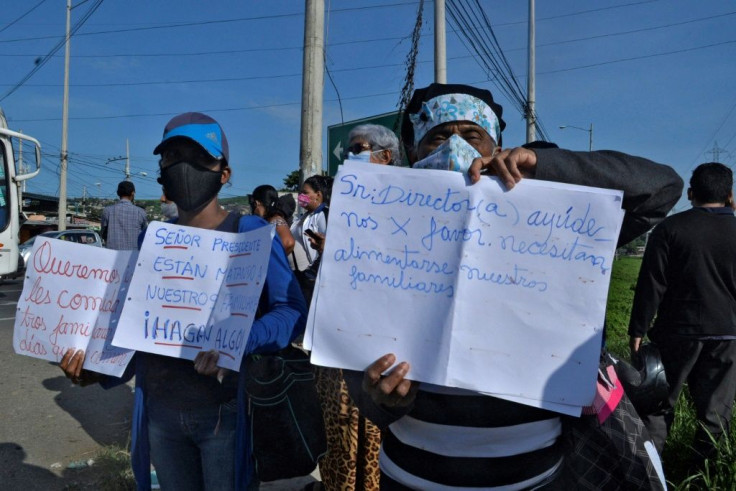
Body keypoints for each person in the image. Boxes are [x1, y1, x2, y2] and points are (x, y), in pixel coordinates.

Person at [350, 82, 683, 489]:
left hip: (533, 479)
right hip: (410, 478)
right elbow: (362, 384)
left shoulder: (554, 218)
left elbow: (661, 188)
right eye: (437, 137)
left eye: (473, 136)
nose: (456, 149)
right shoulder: (381, 228)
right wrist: (380, 400)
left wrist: (545, 166)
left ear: (498, 147)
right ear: (414, 151)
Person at [59, 112, 307, 490]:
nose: (183, 167)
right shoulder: (152, 240)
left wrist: (240, 339)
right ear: (161, 172)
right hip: (160, 412)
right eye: (172, 157)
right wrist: (96, 370)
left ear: (224, 173)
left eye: (198, 158)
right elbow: (136, 329)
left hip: (225, 414)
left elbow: (292, 313)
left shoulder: (251, 233)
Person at [311, 124, 401, 491]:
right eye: (349, 150)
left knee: (377, 436)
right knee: (339, 436)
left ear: (386, 156)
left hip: (387, 344)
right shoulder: (345, 205)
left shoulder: (408, 201)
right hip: (341, 340)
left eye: (358, 148)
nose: (350, 156)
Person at [628, 162, 736, 465]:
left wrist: (638, 329)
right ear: (729, 194)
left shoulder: (669, 229)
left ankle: (651, 472)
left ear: (691, 192)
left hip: (677, 332)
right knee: (716, 412)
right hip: (728, 334)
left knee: (660, 404)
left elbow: (652, 284)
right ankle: (704, 475)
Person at [290, 174, 331, 305]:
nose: (301, 196)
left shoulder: (323, 214)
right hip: (303, 277)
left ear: (318, 195)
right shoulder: (305, 216)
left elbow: (327, 245)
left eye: (305, 193)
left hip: (315, 277)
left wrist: (312, 273)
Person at [100, 180, 148, 250]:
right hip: (133, 255)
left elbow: (103, 233)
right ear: (133, 193)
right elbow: (145, 235)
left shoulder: (107, 211)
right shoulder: (141, 212)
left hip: (112, 255)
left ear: (118, 193)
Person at [249, 184, 296, 255]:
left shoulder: (275, 219)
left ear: (256, 203)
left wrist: (269, 259)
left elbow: (288, 243)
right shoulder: (269, 220)